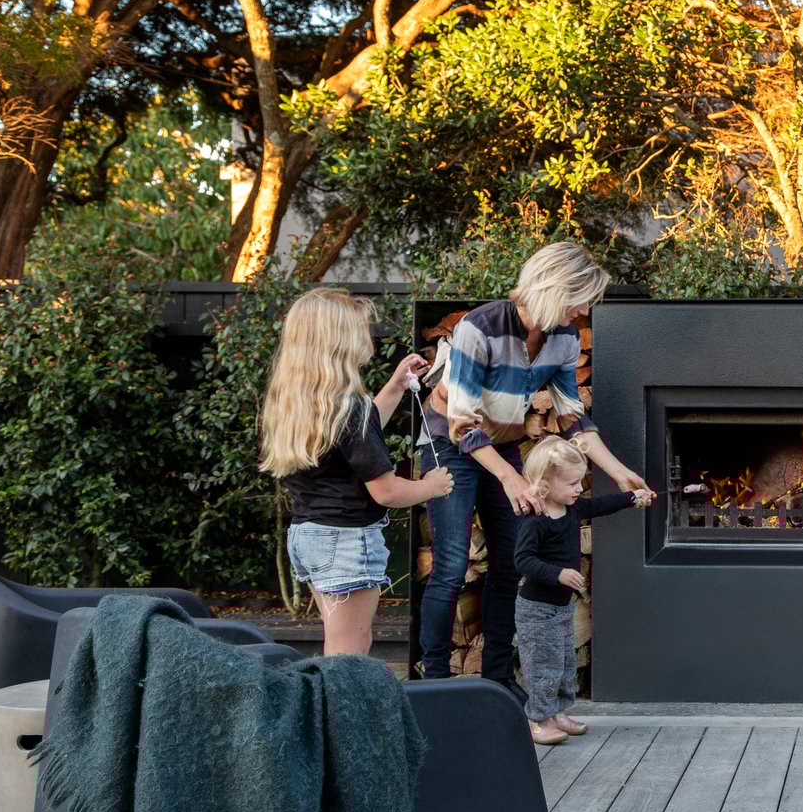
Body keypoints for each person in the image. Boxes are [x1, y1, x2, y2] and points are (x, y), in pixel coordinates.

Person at [416, 242, 651, 686]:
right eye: (579, 299)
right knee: (449, 567)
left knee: (509, 562)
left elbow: (570, 415)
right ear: (554, 287)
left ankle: (497, 682)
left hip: (502, 444)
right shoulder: (478, 328)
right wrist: (509, 477)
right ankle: (435, 685)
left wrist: (617, 470)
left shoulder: (562, 339)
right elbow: (462, 425)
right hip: (450, 445)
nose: (582, 311)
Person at [261, 287, 453, 656]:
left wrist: (396, 385)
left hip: (310, 536)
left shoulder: (300, 403)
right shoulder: (351, 410)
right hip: (345, 541)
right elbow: (387, 493)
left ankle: (328, 713)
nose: (368, 337)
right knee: (348, 653)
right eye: (361, 329)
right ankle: (337, 716)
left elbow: (358, 436)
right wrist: (431, 485)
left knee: (339, 646)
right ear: (342, 341)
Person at [511, 436, 653, 743]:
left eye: (580, 482)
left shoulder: (572, 509)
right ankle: (538, 720)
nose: (579, 489)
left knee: (563, 662)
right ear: (546, 485)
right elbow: (523, 560)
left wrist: (631, 498)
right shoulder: (535, 521)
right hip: (537, 609)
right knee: (542, 665)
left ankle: (557, 713)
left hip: (561, 607)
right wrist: (558, 573)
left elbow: (600, 505)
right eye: (573, 483)